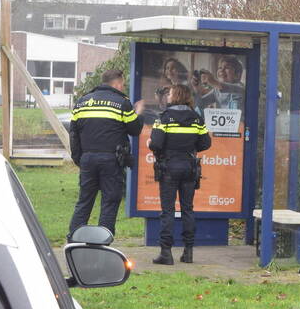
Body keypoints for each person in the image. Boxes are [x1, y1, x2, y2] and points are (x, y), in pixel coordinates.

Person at [68, 68, 145, 239]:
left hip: (87, 158)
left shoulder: (82, 102)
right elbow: (134, 129)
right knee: (110, 201)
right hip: (111, 160)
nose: (123, 87)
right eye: (123, 84)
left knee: (84, 201)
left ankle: (73, 239)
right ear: (117, 83)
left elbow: (73, 133)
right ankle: (102, 242)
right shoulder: (122, 103)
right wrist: (137, 112)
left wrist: (79, 159)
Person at [148, 83, 212, 265]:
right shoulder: (197, 118)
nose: (167, 96)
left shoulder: (164, 118)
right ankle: (188, 252)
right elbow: (206, 143)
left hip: (168, 168)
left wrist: (150, 144)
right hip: (189, 168)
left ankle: (166, 253)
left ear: (175, 96)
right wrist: (191, 147)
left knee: (167, 211)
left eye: (170, 93)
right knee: (188, 209)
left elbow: (156, 144)